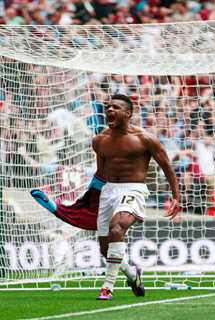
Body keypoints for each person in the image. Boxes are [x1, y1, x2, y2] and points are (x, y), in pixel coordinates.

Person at [31, 94, 180, 300]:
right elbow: (101, 175)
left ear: (128, 113)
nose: (110, 110)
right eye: (108, 107)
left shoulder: (145, 139)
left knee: (117, 228)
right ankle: (132, 274)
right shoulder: (99, 140)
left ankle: (107, 287)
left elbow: (167, 167)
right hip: (108, 191)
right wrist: (85, 202)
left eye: (116, 107)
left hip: (133, 190)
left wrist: (176, 197)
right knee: (105, 248)